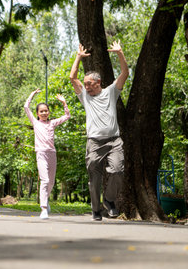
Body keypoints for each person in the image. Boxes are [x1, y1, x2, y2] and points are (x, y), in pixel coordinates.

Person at [69, 41, 129, 221]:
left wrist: (120, 53)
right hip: (94, 143)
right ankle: (96, 209)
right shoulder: (85, 97)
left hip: (114, 141)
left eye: (89, 84)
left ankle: (109, 200)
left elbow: (125, 74)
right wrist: (78, 57)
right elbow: (72, 78)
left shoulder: (111, 92)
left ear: (98, 82)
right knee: (94, 178)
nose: (86, 87)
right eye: (85, 84)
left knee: (118, 170)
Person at [24, 89, 70, 219]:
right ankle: (43, 208)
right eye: (41, 111)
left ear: (48, 112)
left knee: (51, 182)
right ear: (38, 113)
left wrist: (64, 103)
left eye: (46, 111)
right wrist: (32, 95)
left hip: (52, 154)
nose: (44, 113)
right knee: (45, 180)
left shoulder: (52, 123)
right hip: (41, 154)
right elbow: (26, 107)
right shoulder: (35, 122)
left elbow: (67, 116)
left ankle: (46, 199)